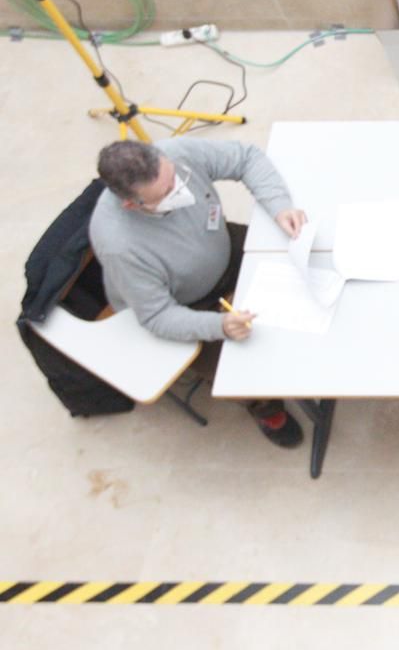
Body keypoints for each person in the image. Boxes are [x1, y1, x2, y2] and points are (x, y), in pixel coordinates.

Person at [89, 138, 309, 447]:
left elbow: (246, 157)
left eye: (175, 177)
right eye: (166, 193)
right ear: (131, 205)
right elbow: (156, 315)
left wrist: (279, 204)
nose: (180, 189)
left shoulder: (174, 155)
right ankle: (266, 408)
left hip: (221, 247)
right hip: (188, 303)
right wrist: (217, 327)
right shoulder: (120, 246)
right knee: (241, 368)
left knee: (302, 270)